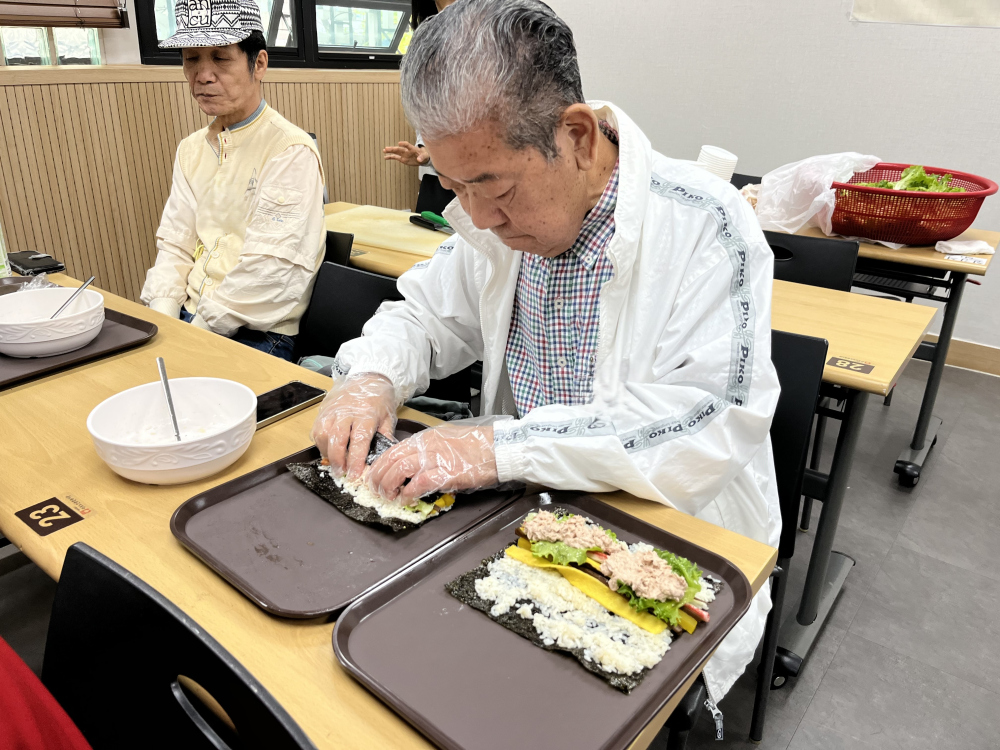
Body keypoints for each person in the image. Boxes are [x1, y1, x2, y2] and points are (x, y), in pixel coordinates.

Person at [312, 0, 780, 707]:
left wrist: (493, 449)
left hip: (665, 535)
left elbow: (705, 423)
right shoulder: (492, 223)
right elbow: (425, 317)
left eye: (492, 185)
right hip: (520, 522)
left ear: (578, 136)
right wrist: (369, 378)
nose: (475, 215)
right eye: (453, 186)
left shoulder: (708, 226)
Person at [140, 0, 325, 362]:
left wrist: (193, 337)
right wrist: (163, 321)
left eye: (220, 58)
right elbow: (176, 242)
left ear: (259, 63)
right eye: (191, 58)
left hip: (255, 331)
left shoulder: (289, 150)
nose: (203, 75)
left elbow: (271, 272)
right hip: (189, 317)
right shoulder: (191, 149)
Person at [381, 0, 458, 215]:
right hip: (437, 177)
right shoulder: (427, 36)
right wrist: (425, 151)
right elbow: (424, 105)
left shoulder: (487, 28)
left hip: (477, 173)